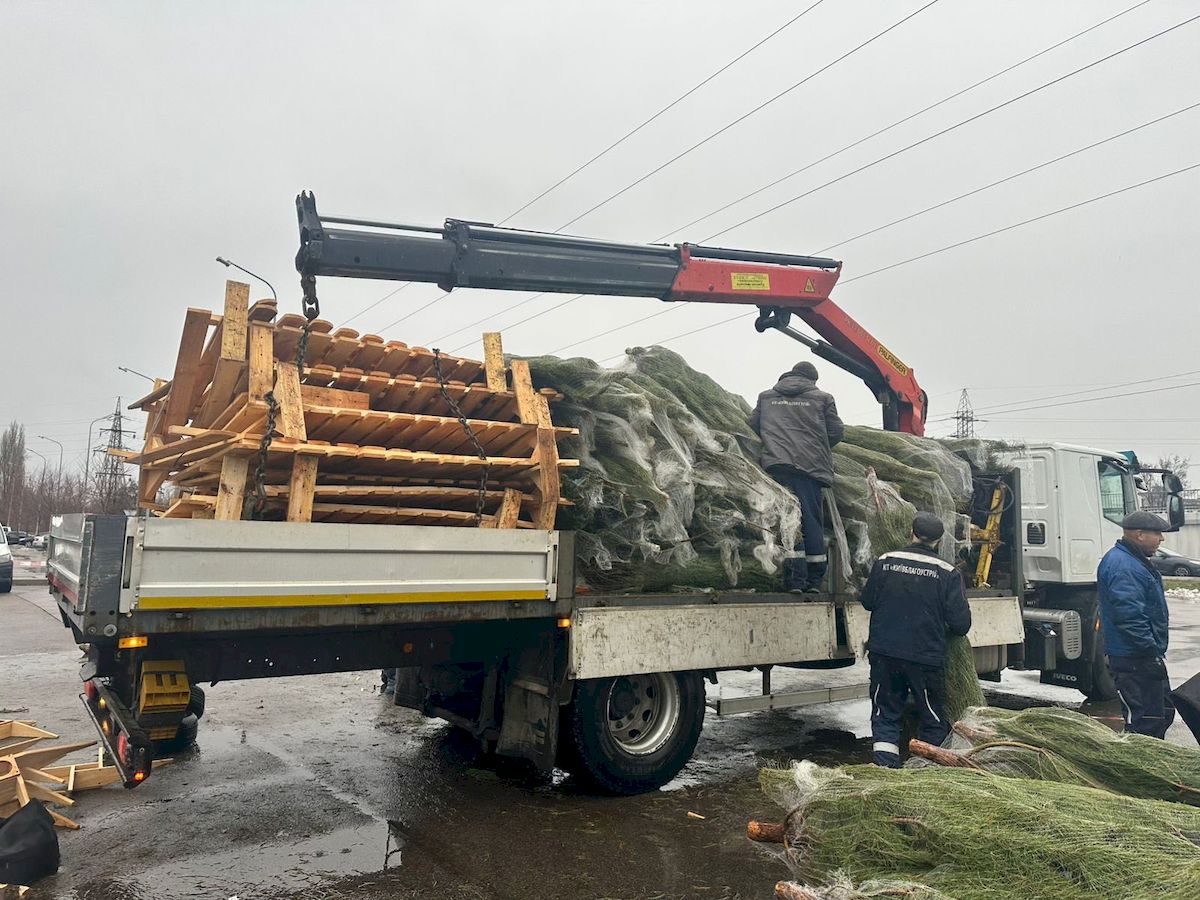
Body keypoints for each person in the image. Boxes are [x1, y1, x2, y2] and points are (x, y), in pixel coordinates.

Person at [860, 513, 972, 768]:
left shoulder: (886, 561)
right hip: (925, 656)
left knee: (885, 712)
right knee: (932, 716)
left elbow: (867, 601)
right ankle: (923, 771)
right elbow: (961, 624)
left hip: (885, 652)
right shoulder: (948, 572)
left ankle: (885, 768)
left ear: (911, 532)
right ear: (938, 540)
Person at [750, 361, 844, 593]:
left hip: (776, 467)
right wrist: (817, 447)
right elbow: (836, 432)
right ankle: (813, 581)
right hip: (810, 469)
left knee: (786, 520)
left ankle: (794, 581)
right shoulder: (822, 398)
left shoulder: (766, 397)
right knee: (810, 521)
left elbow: (753, 425)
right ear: (812, 380)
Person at [1097, 510, 1175, 738]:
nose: (1162, 539)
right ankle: (1138, 767)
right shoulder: (1125, 566)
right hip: (1135, 657)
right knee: (1144, 722)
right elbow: (1130, 617)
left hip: (1141, 655)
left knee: (1160, 713)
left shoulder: (1132, 561)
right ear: (1140, 534)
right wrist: (1149, 652)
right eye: (1157, 533)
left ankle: (1153, 761)